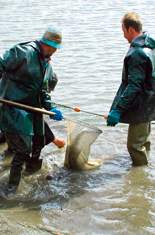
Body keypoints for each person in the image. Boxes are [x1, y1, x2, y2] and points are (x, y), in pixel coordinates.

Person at [0, 27, 64, 194]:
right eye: (56, 47)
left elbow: (43, 92)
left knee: (39, 142)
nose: (57, 51)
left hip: (32, 109)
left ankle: (30, 174)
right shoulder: (22, 52)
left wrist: (52, 108)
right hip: (12, 107)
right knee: (22, 149)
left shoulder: (46, 63)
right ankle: (11, 189)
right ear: (50, 45)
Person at [107, 12, 155, 166]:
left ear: (131, 30)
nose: (123, 36)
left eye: (123, 31)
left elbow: (134, 86)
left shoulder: (137, 53)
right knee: (143, 140)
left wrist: (118, 109)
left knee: (133, 145)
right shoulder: (150, 47)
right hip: (149, 103)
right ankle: (146, 167)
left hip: (141, 105)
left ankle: (140, 175)